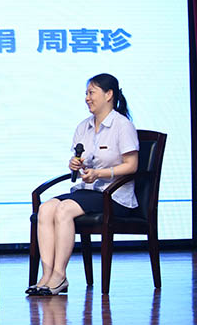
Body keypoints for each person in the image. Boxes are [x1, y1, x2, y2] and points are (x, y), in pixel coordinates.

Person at [28, 73, 138, 296]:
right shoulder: (83, 127)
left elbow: (132, 166)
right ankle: (46, 276)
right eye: (86, 93)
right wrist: (75, 165)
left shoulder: (122, 125)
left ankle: (59, 275)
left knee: (64, 209)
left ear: (108, 95)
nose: (87, 98)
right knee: (46, 208)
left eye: (91, 93)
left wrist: (100, 173)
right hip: (89, 192)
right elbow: (81, 166)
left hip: (114, 196)